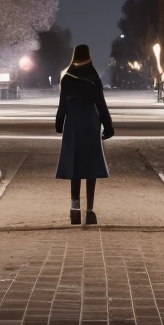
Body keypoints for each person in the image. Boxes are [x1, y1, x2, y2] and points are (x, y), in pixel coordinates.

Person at [55, 43, 113, 225]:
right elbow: (101, 104)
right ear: (89, 56)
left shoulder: (67, 78)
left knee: (75, 164)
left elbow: (62, 105)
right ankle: (90, 211)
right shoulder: (93, 77)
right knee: (91, 166)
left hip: (72, 123)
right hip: (90, 122)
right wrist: (108, 126)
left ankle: (74, 209)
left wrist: (59, 124)